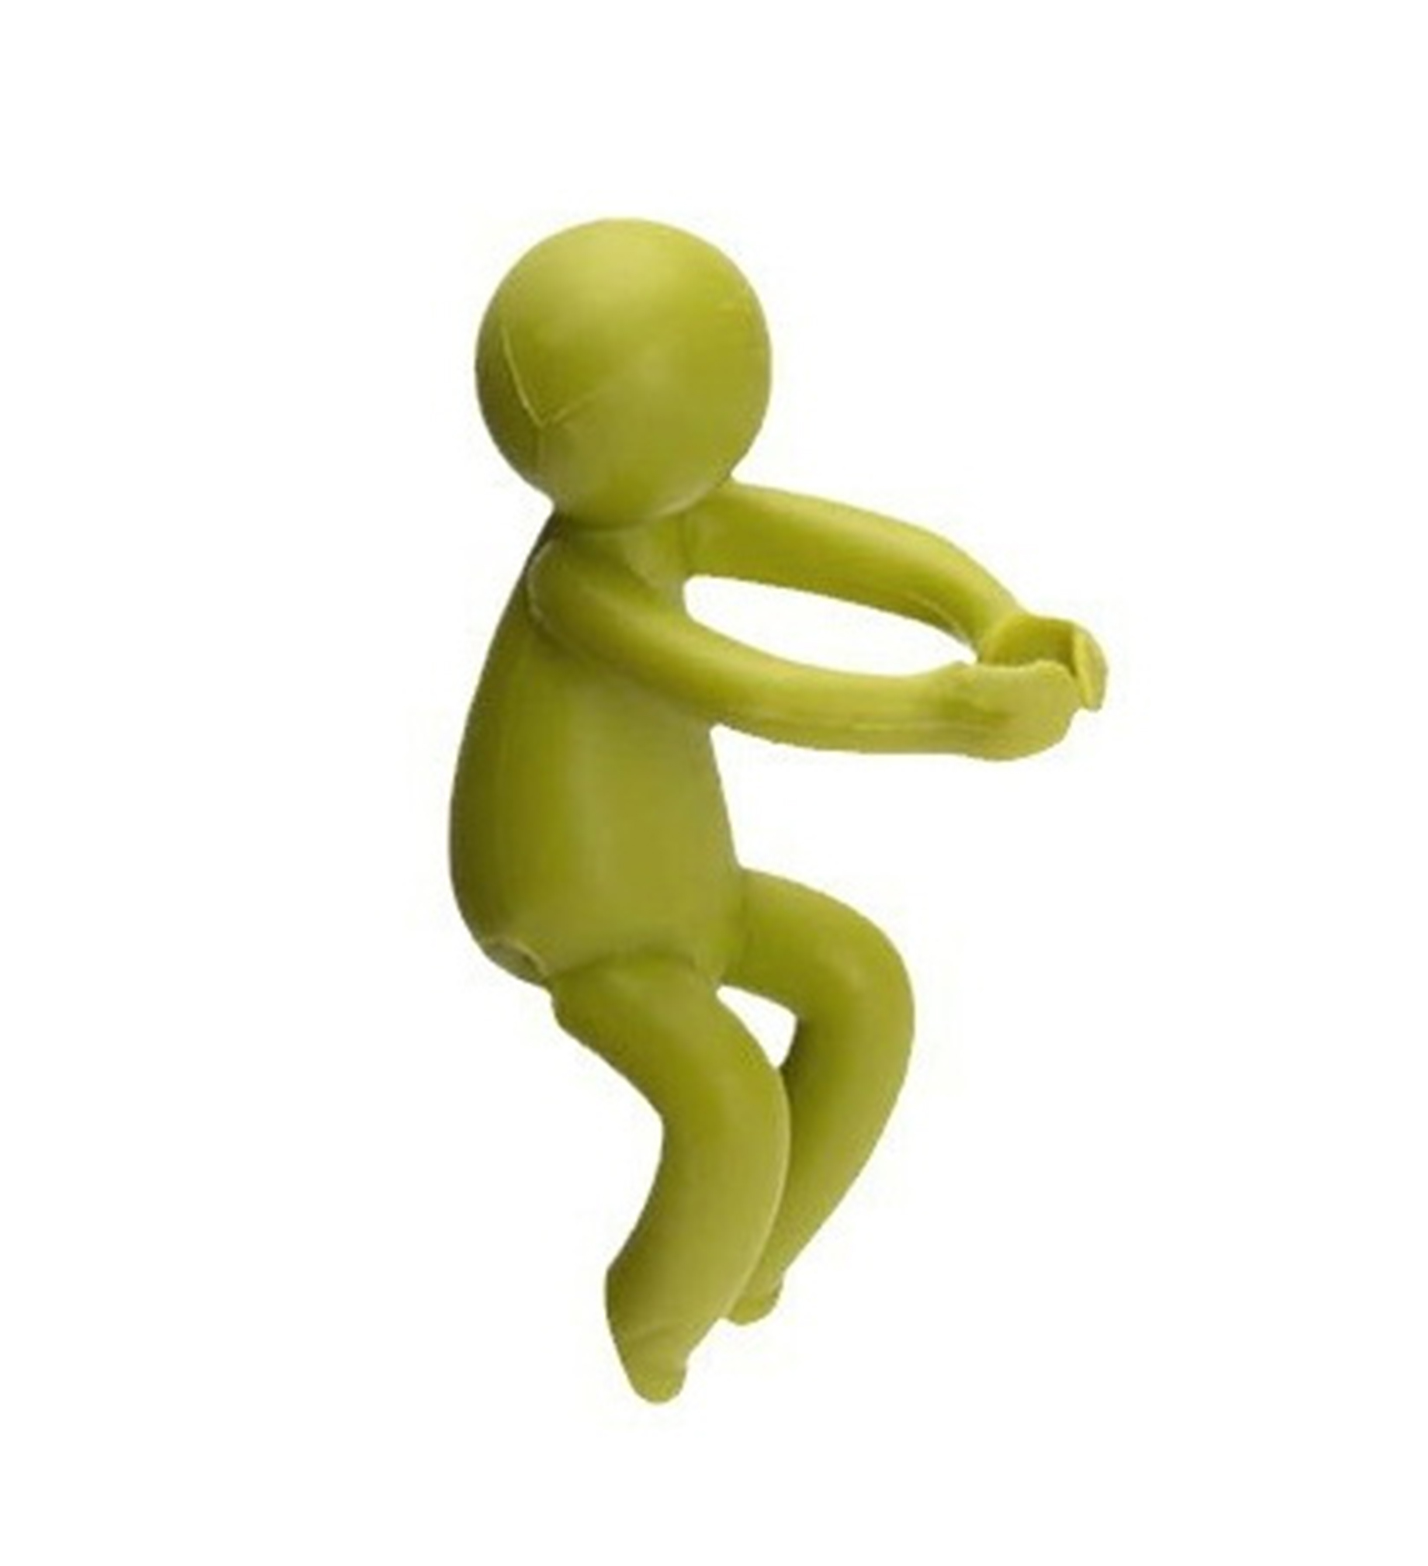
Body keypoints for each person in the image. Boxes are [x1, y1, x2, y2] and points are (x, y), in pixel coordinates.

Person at [450, 219, 1105, 1400]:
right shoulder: (577, 581)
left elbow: (858, 550)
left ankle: (754, 1262)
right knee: (731, 1102)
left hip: (691, 885)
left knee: (864, 983)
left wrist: (993, 618)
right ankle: (649, 1328)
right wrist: (945, 713)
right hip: (580, 924)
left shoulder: (675, 512)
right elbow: (745, 686)